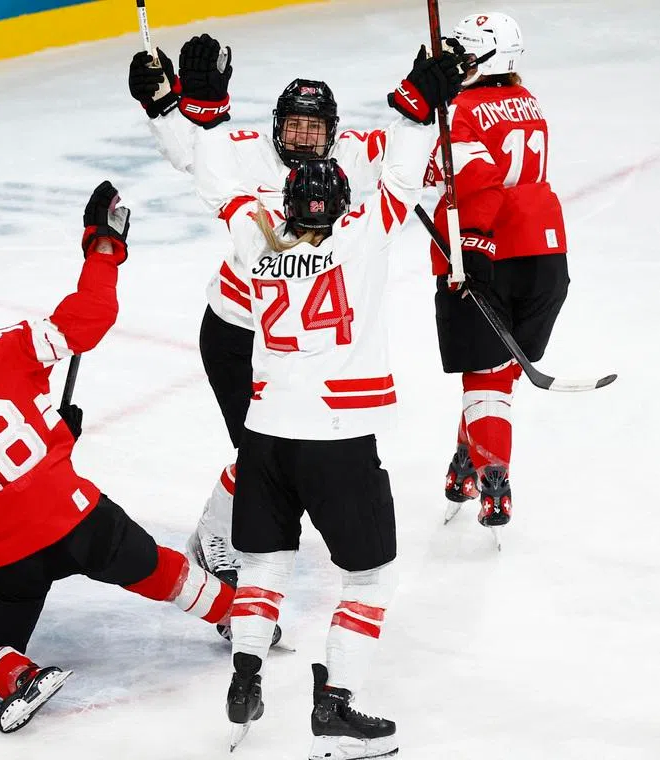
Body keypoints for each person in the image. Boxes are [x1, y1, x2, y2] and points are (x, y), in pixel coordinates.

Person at [0, 182, 236, 733]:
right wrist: (102, 247)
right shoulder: (5, 348)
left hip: (6, 554)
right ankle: (235, 615)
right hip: (76, 514)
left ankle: (24, 678)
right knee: (156, 568)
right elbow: (91, 316)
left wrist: (50, 440)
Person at [219, 47, 463, 757]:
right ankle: (335, 707)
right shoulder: (367, 233)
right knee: (368, 576)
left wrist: (196, 117)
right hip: (339, 434)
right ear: (345, 203)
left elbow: (223, 187)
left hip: (264, 432)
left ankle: (246, 670)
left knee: (264, 566)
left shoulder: (252, 237)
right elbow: (401, 171)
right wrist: (416, 103)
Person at [126, 36, 387, 584]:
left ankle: (226, 530)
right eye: (293, 125)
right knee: (258, 450)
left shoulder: (354, 161)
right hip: (236, 332)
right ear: (276, 125)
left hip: (312, 347)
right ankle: (214, 534)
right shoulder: (248, 151)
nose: (302, 136)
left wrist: (435, 111)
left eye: (314, 128)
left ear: (333, 131)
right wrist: (162, 106)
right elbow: (191, 153)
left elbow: (413, 159)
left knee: (289, 447)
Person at [428, 12, 569, 533]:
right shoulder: (528, 102)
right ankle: (465, 461)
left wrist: (472, 246)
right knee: (503, 372)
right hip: (547, 250)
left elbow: (477, 181)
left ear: (481, 58)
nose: (452, 62)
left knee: (485, 374)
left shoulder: (460, 109)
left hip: (487, 250)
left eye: (460, 53)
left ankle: (493, 480)